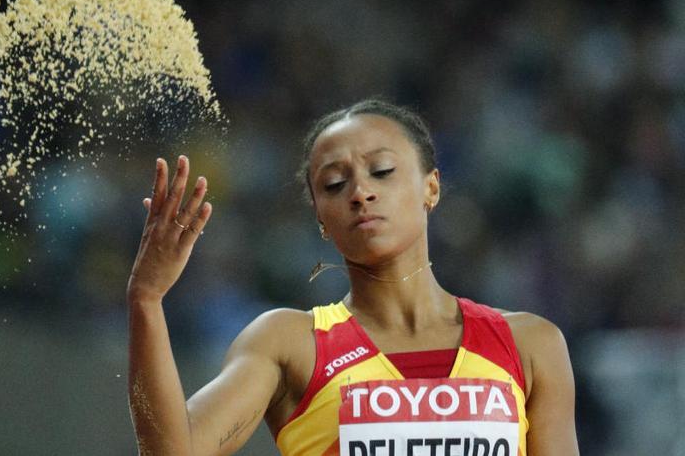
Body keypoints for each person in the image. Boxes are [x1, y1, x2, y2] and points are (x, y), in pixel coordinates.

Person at [127, 99, 578, 455]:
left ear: (432, 187)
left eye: (382, 171)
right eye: (334, 185)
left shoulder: (528, 345)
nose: (361, 192)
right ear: (321, 218)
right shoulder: (289, 344)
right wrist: (147, 300)